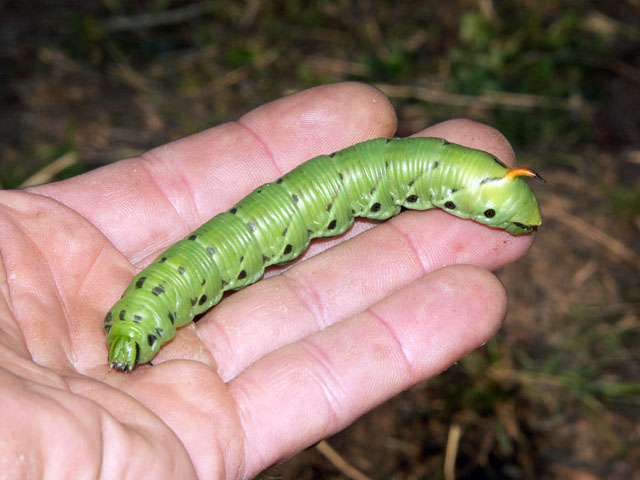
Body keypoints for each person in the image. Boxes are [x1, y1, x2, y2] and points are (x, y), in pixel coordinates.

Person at [0, 82, 534, 479]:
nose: (502, 226)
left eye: (494, 216)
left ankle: (143, 317)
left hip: (172, 286)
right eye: (495, 214)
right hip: (172, 287)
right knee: (230, 251)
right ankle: (140, 321)